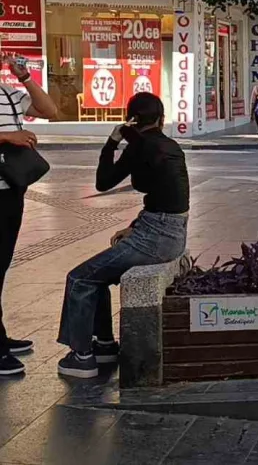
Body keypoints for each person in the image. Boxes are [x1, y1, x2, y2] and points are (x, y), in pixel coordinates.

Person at [56, 93, 189, 378]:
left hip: (155, 238)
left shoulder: (138, 147)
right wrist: (136, 224)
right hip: (169, 232)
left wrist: (112, 142)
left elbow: (103, 182)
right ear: (161, 119)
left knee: (79, 278)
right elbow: (169, 198)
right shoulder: (170, 145)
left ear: (132, 120)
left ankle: (82, 357)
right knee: (98, 276)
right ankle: (104, 345)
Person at [0, 52, 58, 376]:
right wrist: (8, 136)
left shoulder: (8, 94)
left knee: (1, 265)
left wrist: (22, 76)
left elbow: (49, 110)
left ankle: (1, 337)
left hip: (11, 190)